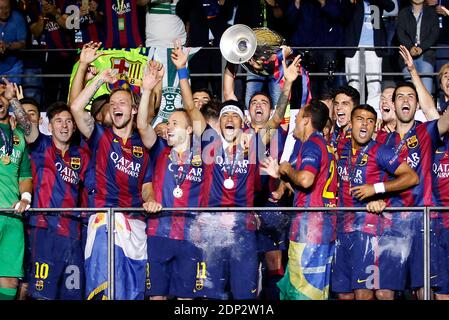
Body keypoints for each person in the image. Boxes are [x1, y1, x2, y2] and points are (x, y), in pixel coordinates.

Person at [70, 68, 156, 300]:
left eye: (123, 102)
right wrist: (99, 79)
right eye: (113, 103)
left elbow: (147, 186)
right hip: (105, 219)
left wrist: (150, 201)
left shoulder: (144, 144)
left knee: (132, 291)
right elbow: (76, 108)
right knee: (105, 290)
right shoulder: (100, 136)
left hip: (136, 224)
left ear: (134, 109)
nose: (116, 106)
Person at [138, 58, 210, 300]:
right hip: (159, 232)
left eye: (174, 123)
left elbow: (191, 108)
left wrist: (182, 70)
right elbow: (142, 126)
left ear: (190, 130)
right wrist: (147, 89)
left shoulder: (205, 152)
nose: (168, 127)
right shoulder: (159, 150)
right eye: (167, 123)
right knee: (156, 296)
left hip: (192, 235)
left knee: (186, 300)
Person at [332, 104, 419, 300]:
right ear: (351, 123)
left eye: (370, 121)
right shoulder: (340, 148)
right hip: (342, 229)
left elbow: (411, 177)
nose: (365, 124)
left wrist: (377, 190)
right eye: (360, 119)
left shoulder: (381, 151)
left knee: (365, 292)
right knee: (344, 294)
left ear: (374, 127)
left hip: (368, 230)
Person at [11, 96, 89, 300]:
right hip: (42, 231)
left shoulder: (82, 155)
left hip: (73, 234)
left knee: (71, 295)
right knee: (40, 294)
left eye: (69, 121)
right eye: (59, 121)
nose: (64, 125)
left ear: (74, 126)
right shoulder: (40, 145)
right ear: (49, 125)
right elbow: (26, 125)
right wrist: (12, 99)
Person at [261, 100, 338, 300]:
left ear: (306, 120)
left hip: (310, 231)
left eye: (297, 117)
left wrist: (287, 169)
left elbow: (305, 180)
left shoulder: (312, 143)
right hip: (320, 228)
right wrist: (280, 174)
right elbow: (309, 187)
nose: (294, 120)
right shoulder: (324, 145)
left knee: (304, 294)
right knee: (308, 291)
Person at [384, 81, 449, 299]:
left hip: (423, 221)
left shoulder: (426, 131)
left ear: (417, 105)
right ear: (393, 104)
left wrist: (414, 74)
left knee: (424, 289)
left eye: (411, 96)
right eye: (400, 96)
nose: (405, 100)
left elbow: (446, 119)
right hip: (391, 223)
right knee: (385, 291)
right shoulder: (382, 140)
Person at [0, 81, 33, 300]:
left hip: (12, 215)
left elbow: (24, 175)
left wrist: (25, 198)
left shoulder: (19, 135)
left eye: (2, 96)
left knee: (10, 280)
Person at [341, 0, 395, 113]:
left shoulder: (375, 3)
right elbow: (342, 16)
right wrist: (350, 3)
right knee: (353, 83)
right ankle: (353, 113)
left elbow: (391, 6)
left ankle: (373, 113)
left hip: (374, 46)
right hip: (354, 46)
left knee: (374, 84)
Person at [396, 0, 440, 95]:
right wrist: (410, 47)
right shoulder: (403, 13)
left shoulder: (431, 13)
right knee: (409, 91)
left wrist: (422, 48)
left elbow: (434, 34)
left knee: (426, 90)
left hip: (427, 56)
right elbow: (400, 33)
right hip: (407, 56)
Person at [0, 0, 26, 84]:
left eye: (6, 8)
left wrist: (7, 45)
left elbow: (23, 44)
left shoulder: (18, 18)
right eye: (0, 8)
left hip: (13, 68)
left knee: (13, 95)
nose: (4, 11)